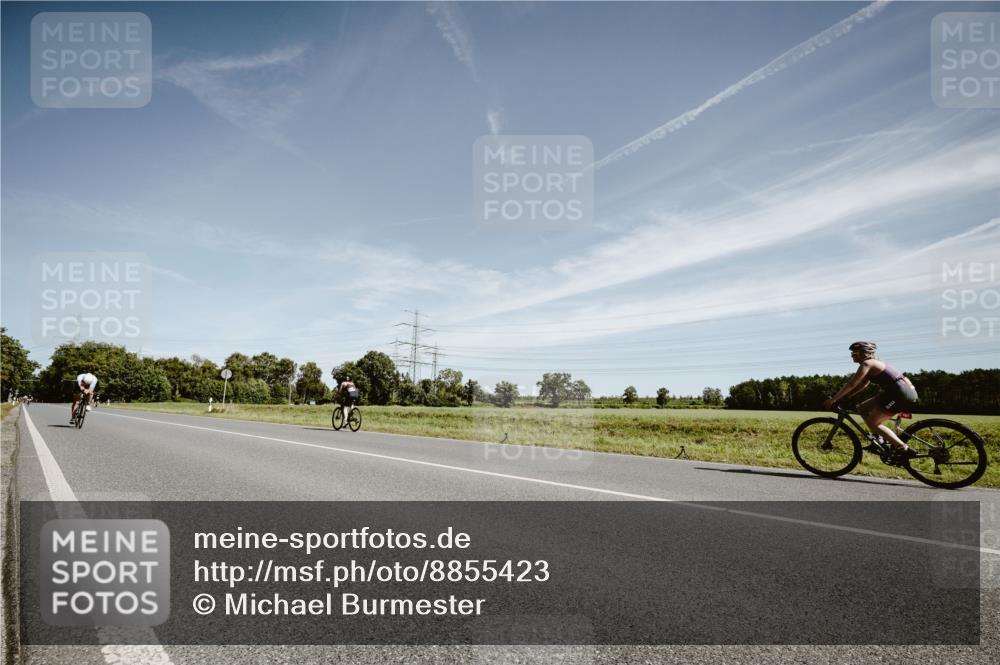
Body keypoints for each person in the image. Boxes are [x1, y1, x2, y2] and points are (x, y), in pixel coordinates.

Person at [823, 341, 918, 461]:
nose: (852, 355)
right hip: (893, 392)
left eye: (855, 353)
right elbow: (862, 385)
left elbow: (852, 384)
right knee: (862, 408)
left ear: (866, 353)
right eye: (852, 353)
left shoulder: (867, 363)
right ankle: (879, 440)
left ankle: (903, 448)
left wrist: (833, 399)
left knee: (873, 422)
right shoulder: (872, 364)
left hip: (899, 394)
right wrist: (845, 397)